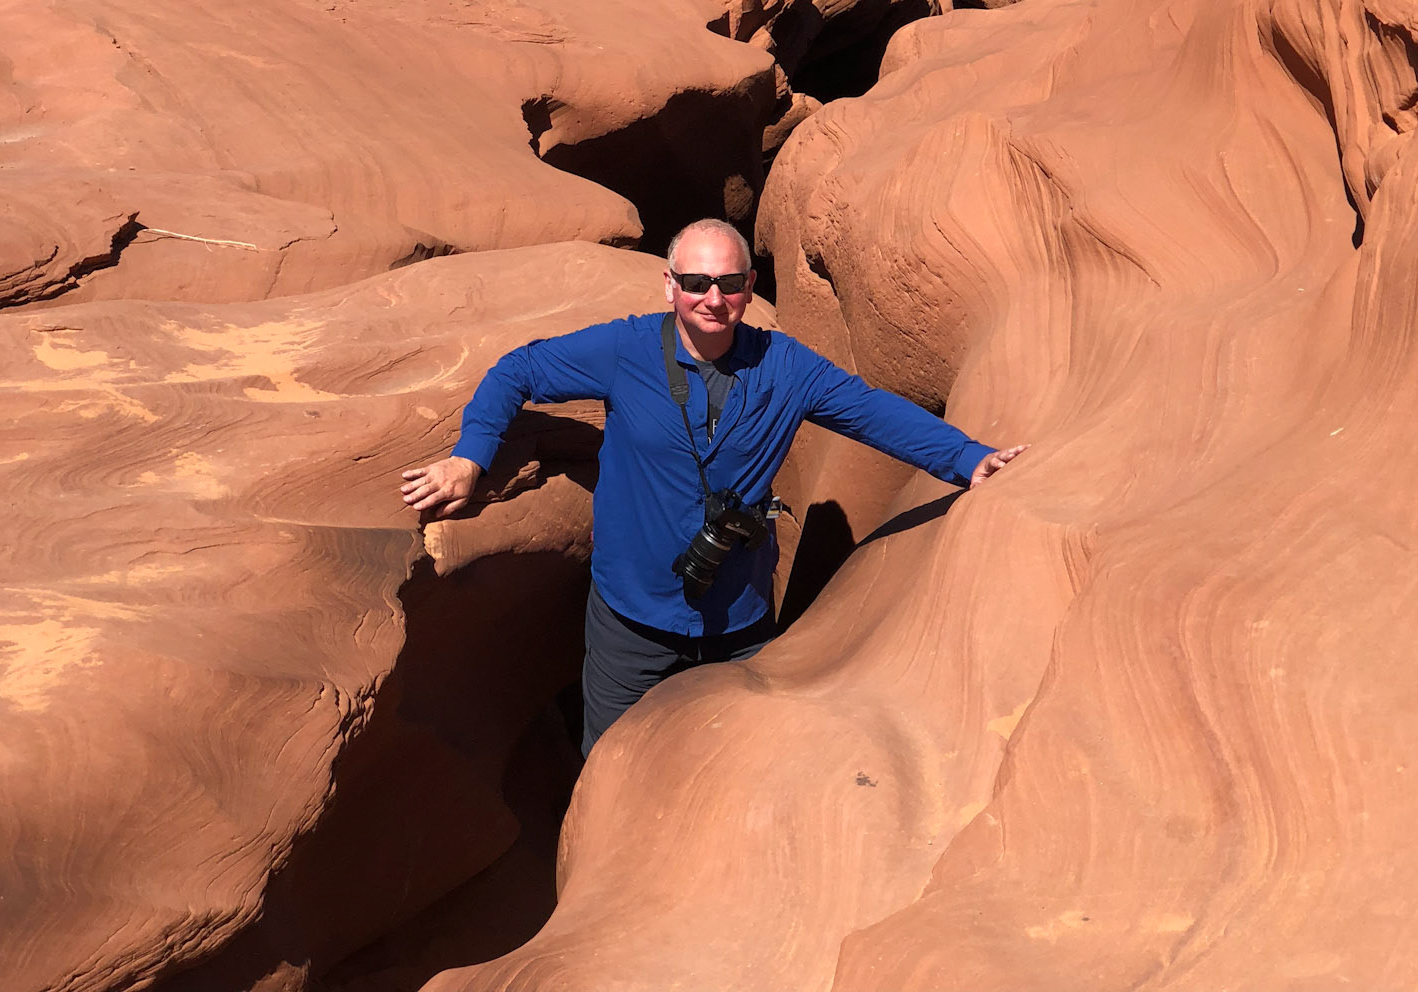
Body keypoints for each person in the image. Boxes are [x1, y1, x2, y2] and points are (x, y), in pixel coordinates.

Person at [400, 218, 1027, 754]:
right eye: (696, 283)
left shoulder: (788, 367)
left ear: (749, 289)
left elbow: (873, 413)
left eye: (728, 283)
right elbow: (519, 369)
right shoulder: (628, 349)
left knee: (729, 767)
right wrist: (470, 459)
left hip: (738, 622)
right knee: (612, 771)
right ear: (670, 286)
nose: (712, 298)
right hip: (631, 624)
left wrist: (968, 459)